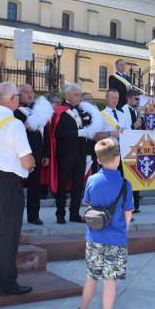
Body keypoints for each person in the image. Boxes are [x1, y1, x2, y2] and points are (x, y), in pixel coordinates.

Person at [69, 138, 134, 309]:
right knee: (110, 281)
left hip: (94, 237)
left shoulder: (91, 180)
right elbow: (128, 212)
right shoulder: (125, 184)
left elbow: (88, 205)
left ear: (98, 160)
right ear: (118, 158)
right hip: (116, 239)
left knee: (91, 276)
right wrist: (125, 228)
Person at [0, 81, 35, 296]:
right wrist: (32, 166)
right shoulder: (14, 123)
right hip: (8, 181)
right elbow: (26, 159)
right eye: (18, 96)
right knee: (8, 233)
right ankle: (7, 283)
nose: (19, 99)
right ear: (12, 99)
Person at [49, 83, 90, 224]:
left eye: (79, 94)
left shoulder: (81, 111)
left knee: (78, 185)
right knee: (62, 184)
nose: (79, 97)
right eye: (76, 95)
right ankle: (60, 214)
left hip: (80, 153)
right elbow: (58, 134)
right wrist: (78, 133)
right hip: (65, 154)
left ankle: (74, 213)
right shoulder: (59, 111)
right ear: (67, 95)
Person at [14, 83, 51, 225]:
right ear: (19, 95)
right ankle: (15, 215)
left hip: (38, 154)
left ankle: (34, 215)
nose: (30, 95)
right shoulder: (16, 112)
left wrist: (46, 154)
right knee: (17, 187)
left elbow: (45, 134)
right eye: (26, 92)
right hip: (21, 154)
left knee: (35, 187)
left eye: (31, 92)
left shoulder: (39, 111)